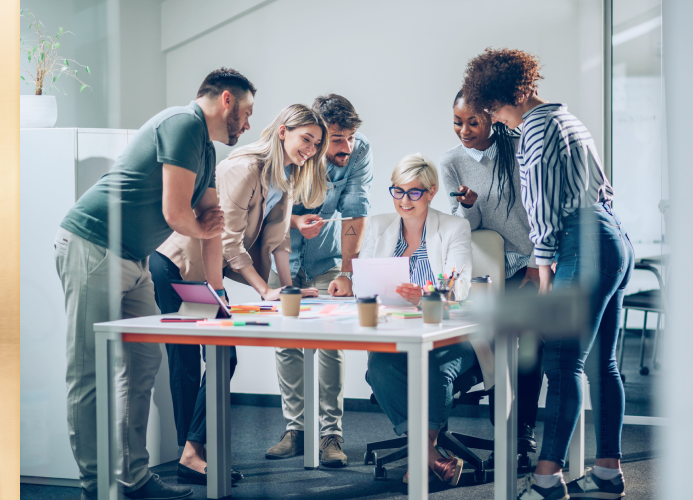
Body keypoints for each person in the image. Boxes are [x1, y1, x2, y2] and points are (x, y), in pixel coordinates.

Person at [54, 67, 256, 500]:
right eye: (247, 112)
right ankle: (94, 487)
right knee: (89, 372)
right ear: (226, 100)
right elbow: (176, 215)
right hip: (92, 245)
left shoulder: (206, 151)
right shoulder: (182, 123)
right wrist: (201, 227)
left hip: (134, 259)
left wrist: (219, 296)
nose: (248, 123)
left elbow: (211, 224)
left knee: (142, 367)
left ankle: (132, 478)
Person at [463, 48, 634, 500]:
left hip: (585, 246)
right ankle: (607, 473)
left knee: (561, 363)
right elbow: (601, 190)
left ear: (502, 99)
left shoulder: (534, 132)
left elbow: (541, 214)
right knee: (603, 363)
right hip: (613, 239)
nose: (497, 119)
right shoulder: (567, 118)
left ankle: (545, 481)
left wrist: (542, 275)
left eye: (493, 110)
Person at [151, 103, 325, 485]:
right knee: (197, 359)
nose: (310, 149)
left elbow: (278, 241)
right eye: (306, 139)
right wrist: (265, 290)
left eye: (316, 144)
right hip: (178, 266)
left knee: (216, 358)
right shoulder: (244, 167)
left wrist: (285, 288)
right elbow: (225, 238)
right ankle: (193, 454)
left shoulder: (287, 177)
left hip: (206, 271)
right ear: (283, 131)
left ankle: (190, 454)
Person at [362, 153, 494, 486]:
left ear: (431, 191)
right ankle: (430, 456)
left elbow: (461, 285)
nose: (404, 201)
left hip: (453, 333)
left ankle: (422, 456)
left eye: (414, 192)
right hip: (396, 332)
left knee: (434, 368)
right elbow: (366, 279)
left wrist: (425, 295)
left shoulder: (453, 227)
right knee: (379, 368)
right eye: (398, 191)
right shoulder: (377, 227)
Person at [266, 94, 373, 467]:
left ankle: (331, 435)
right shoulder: (296, 151)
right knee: (287, 342)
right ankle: (296, 430)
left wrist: (347, 272)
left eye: (350, 137)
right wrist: (295, 222)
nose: (346, 147)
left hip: (328, 261)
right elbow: (271, 207)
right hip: (283, 257)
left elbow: (355, 214)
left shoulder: (358, 154)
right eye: (337, 139)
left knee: (331, 343)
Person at [440, 90, 546, 462]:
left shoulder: (518, 148)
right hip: (494, 267)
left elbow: (539, 207)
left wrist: (537, 260)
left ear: (491, 118)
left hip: (534, 260)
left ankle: (524, 431)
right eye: (457, 121)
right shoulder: (451, 162)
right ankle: (505, 431)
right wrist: (467, 206)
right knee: (499, 346)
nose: (464, 130)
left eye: (473, 121)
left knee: (530, 347)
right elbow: (465, 228)